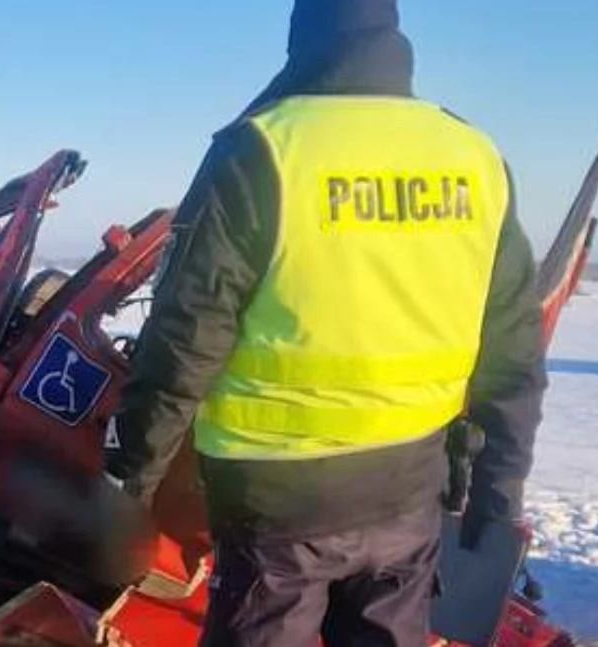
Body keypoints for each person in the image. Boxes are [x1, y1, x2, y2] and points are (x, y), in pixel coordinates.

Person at [105, 1, 547, 645]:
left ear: (301, 38)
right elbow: (514, 353)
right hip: (408, 496)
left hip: (275, 508)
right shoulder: (472, 156)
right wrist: (496, 498)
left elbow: (183, 340)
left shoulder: (261, 147)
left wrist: (128, 481)